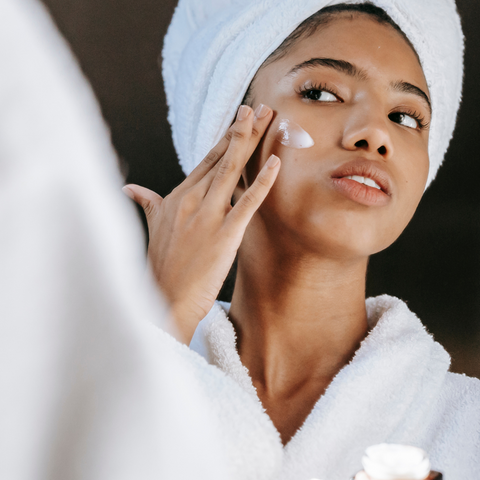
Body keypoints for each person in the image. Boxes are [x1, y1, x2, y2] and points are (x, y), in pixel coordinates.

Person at [124, 0, 480, 478]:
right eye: (322, 92)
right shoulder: (88, 391)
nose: (376, 134)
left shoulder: (467, 429)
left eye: (407, 117)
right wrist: (161, 320)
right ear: (230, 132)